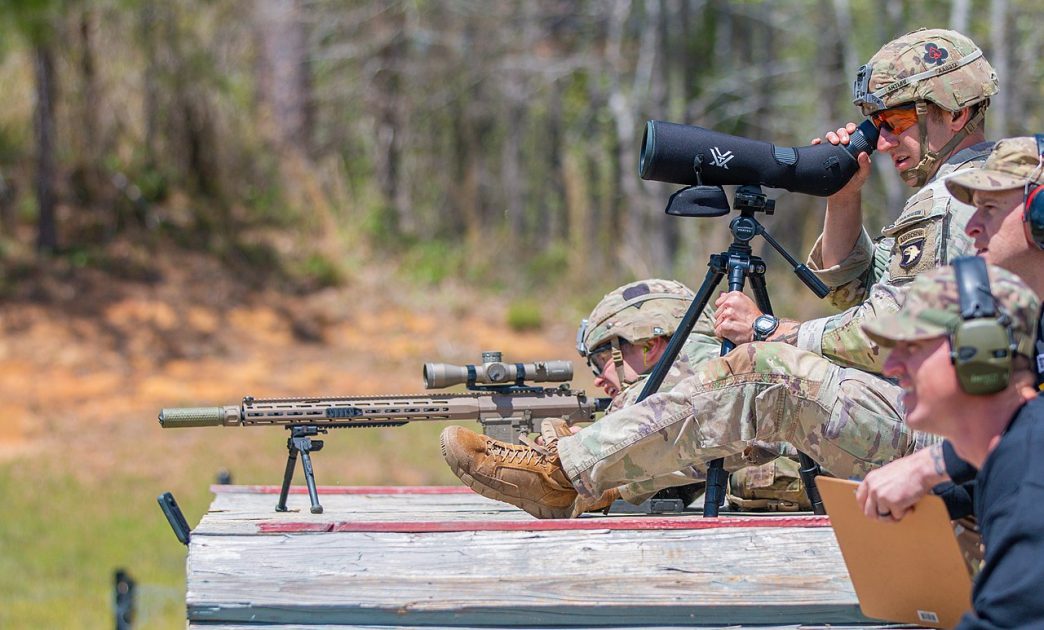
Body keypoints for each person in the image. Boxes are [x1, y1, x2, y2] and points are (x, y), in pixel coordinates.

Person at [441, 28, 999, 517]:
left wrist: (774, 331)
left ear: (952, 110)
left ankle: (562, 475)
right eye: (873, 123)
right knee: (750, 386)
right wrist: (843, 196)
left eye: (897, 119)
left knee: (764, 370)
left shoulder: (961, 197)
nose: (880, 140)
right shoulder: (961, 193)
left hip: (950, 433)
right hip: (938, 415)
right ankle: (581, 467)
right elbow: (853, 289)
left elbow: (885, 333)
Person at [857, 135, 1044, 521]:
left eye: (989, 208)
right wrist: (933, 500)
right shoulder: (1022, 310)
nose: (973, 227)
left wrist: (931, 465)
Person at [858, 260, 1043, 628]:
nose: (892, 366)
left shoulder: (1029, 488)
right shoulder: (1015, 457)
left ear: (981, 349)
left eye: (912, 346)